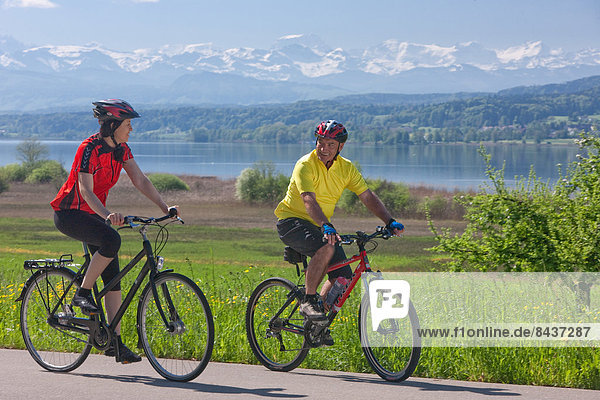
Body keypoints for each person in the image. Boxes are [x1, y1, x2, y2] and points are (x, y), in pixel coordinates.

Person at [51, 99, 179, 363]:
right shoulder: (89, 149)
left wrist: (166, 207)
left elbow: (140, 180)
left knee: (113, 276)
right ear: (112, 125)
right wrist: (107, 215)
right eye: (128, 124)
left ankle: (115, 345)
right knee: (111, 239)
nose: (131, 129)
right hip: (70, 213)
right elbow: (85, 190)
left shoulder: (121, 150)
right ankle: (82, 293)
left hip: (93, 215)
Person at [275, 120, 404, 341]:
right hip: (292, 221)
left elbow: (366, 196)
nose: (324, 148)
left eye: (330, 144)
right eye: (320, 142)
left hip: (319, 225)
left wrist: (389, 220)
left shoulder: (346, 168)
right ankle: (308, 301)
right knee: (327, 245)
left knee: (342, 277)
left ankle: (316, 324)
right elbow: (308, 200)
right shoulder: (305, 164)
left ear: (340, 147)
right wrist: (326, 226)